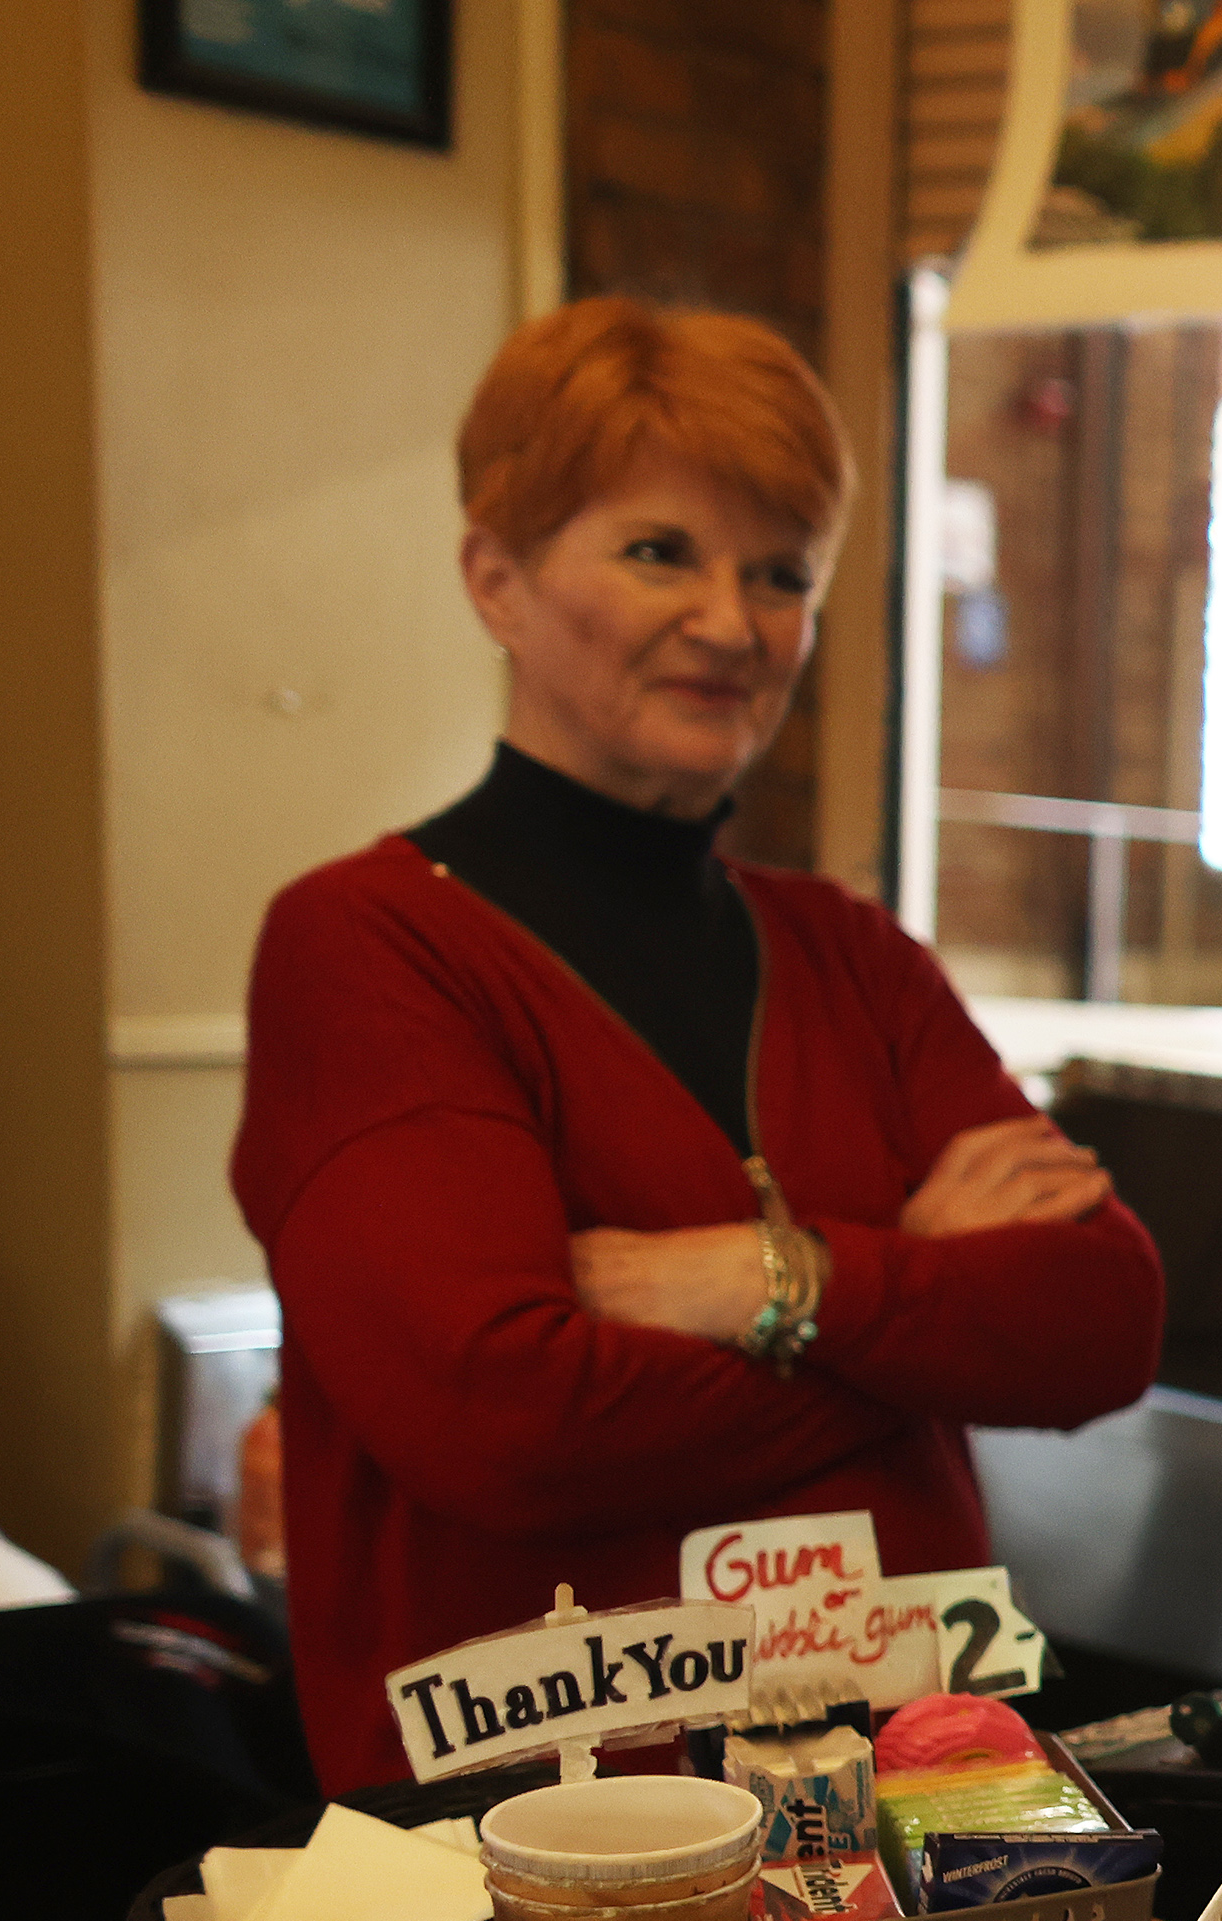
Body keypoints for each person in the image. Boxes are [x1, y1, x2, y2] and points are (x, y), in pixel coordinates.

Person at [236, 300, 1163, 1789]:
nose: (733, 625)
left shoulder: (852, 955)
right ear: (496, 578)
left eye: (782, 573)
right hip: (543, 1862)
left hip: (914, 1835)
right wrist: (901, 1300)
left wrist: (758, 1277)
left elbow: (1103, 1316)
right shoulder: (363, 946)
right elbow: (507, 1419)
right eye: (660, 552)